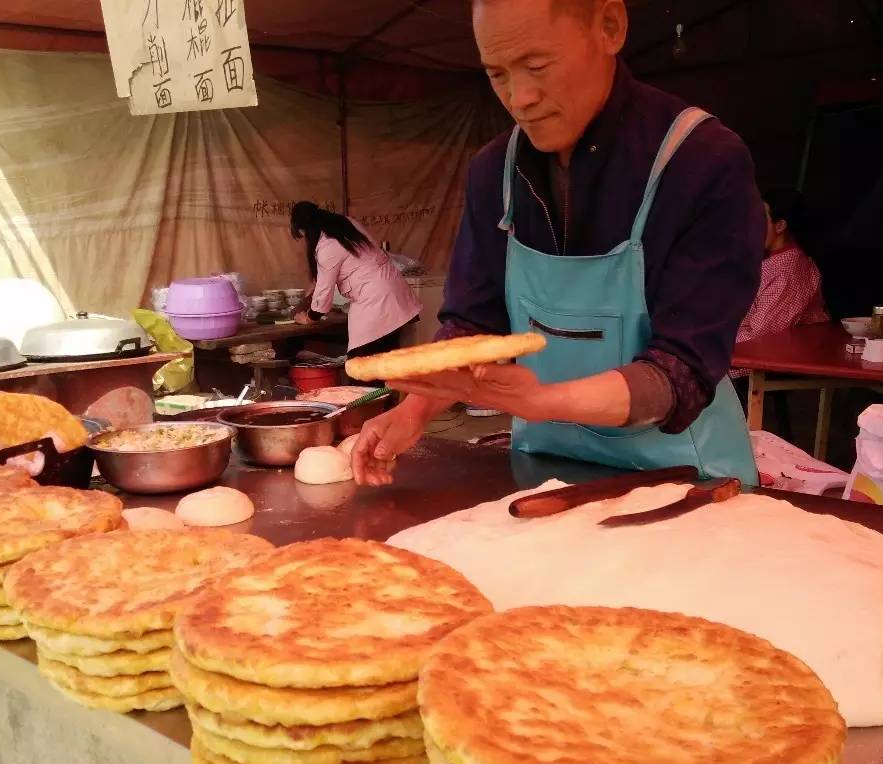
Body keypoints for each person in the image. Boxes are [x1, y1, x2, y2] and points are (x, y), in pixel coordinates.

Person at [350, 0, 764, 487]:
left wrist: (542, 402)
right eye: (497, 74)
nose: (519, 97)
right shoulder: (494, 173)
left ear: (609, 26)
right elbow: (474, 325)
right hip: (547, 475)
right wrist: (416, 409)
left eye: (537, 66)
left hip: (686, 481)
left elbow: (681, 372)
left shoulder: (701, 161)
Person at [288, 202, 421, 372]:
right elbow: (356, 261)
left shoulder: (326, 246)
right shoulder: (346, 223)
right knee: (385, 369)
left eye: (303, 235)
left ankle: (374, 397)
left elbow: (322, 300)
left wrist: (308, 318)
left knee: (360, 371)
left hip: (376, 303)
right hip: (394, 293)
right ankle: (388, 398)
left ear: (307, 229)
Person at [734, 188, 830, 364]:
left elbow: (760, 337)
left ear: (780, 226)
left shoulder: (788, 273)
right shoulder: (768, 261)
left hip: (760, 363)